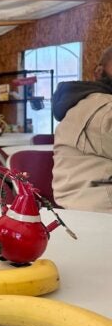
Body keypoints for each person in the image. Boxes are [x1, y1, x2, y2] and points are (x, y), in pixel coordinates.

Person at [52, 46, 112, 212]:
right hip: (101, 216)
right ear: (99, 72)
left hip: (85, 208)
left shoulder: (86, 102)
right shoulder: (103, 109)